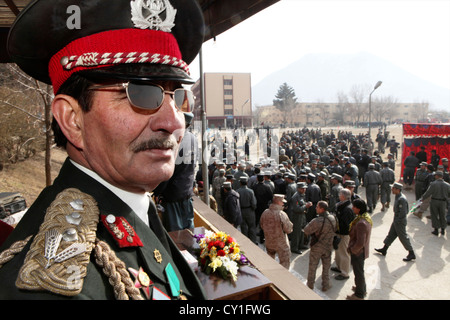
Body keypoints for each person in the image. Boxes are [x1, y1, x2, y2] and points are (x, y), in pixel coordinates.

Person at [0, 0, 207, 300]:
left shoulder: (132, 203)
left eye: (177, 96)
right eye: (140, 92)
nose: (173, 120)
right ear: (73, 120)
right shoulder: (56, 286)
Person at [153, 130, 197, 232]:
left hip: (172, 195)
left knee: (175, 234)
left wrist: (157, 191)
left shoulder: (175, 140)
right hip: (187, 192)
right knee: (190, 231)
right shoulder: (192, 138)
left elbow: (168, 170)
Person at [375, 183, 416, 262]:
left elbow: (403, 212)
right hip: (396, 220)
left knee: (403, 237)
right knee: (391, 235)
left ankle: (411, 253)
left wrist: (397, 221)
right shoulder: (398, 197)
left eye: (393, 188)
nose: (392, 190)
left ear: (397, 189)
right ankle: (384, 249)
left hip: (399, 221)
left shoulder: (401, 199)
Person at [303, 201, 337, 291]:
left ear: (322, 209)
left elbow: (306, 230)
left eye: (317, 207)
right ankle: (326, 284)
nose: (315, 208)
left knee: (312, 267)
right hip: (328, 247)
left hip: (317, 247)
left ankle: (310, 286)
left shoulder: (317, 221)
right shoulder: (333, 218)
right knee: (326, 267)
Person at [346, 198, 372, 300]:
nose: (352, 208)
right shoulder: (366, 218)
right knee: (360, 271)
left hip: (358, 252)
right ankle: (361, 288)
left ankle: (359, 294)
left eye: (354, 207)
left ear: (359, 209)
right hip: (361, 251)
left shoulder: (361, 223)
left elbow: (360, 242)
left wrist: (352, 249)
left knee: (358, 273)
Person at [259, 194, 293, 269]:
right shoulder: (282, 214)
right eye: (282, 202)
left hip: (269, 242)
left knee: (270, 262)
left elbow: (261, 225)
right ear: (278, 202)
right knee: (285, 262)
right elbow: (288, 230)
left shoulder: (265, 212)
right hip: (281, 244)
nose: (283, 203)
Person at [332, 188, 355, 281]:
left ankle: (345, 272)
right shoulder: (342, 205)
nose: (338, 196)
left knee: (344, 253)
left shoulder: (347, 209)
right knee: (338, 251)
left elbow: (346, 224)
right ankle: (339, 266)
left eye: (340, 194)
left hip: (343, 234)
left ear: (343, 196)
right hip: (338, 232)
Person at [420, 171, 450, 235]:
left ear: (437, 176)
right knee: (443, 215)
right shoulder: (447, 185)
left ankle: (436, 230)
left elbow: (428, 192)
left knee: (434, 215)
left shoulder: (433, 184)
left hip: (434, 201)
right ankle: (443, 229)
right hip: (443, 202)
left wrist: (423, 198)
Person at [290, 182, 311, 254]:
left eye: (305, 188)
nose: (304, 189)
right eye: (302, 188)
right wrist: (306, 206)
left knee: (302, 231)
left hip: (302, 215)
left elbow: (302, 204)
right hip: (297, 216)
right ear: (298, 188)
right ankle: (294, 248)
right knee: (296, 232)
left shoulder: (302, 195)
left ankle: (301, 244)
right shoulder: (295, 197)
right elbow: (296, 208)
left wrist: (306, 204)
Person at [236, 177, 257, 243]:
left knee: (243, 227)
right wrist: (253, 209)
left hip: (241, 211)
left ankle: (245, 242)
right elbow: (253, 202)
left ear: (240, 183)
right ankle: (253, 241)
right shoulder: (251, 191)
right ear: (247, 183)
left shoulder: (237, 191)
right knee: (252, 227)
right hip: (250, 210)